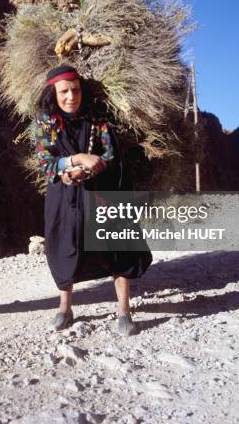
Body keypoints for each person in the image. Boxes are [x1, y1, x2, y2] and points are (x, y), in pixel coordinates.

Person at [33, 65, 152, 335]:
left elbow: (110, 154)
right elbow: (45, 161)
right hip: (64, 197)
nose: (70, 96)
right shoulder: (45, 123)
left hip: (102, 191)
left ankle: (124, 310)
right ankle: (65, 308)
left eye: (75, 89)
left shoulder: (98, 120)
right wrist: (74, 162)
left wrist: (90, 167)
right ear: (54, 93)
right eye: (64, 91)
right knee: (64, 247)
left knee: (117, 246)